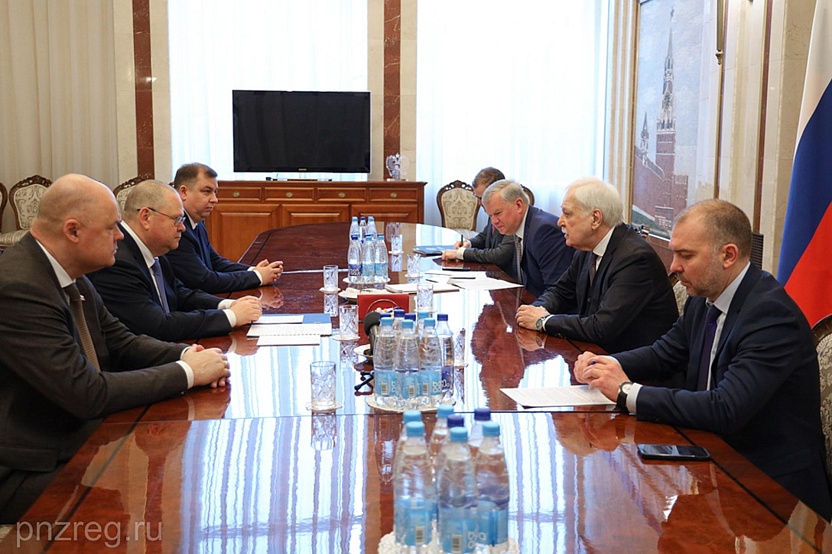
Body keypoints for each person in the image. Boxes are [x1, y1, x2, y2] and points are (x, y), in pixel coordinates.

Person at [573, 199, 832, 521]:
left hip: (770, 489)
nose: (673, 266)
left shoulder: (770, 315)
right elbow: (665, 353)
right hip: (711, 460)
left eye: (686, 255)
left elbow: (725, 407)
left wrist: (627, 392)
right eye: (674, 253)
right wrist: (605, 364)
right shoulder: (705, 297)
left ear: (728, 255)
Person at [0, 174, 230, 523]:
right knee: (142, 502)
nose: (121, 235)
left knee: (177, 470)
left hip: (71, 436)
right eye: (111, 228)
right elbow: (86, 392)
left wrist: (187, 355)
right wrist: (186, 373)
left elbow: (122, 342)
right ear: (73, 231)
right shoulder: (20, 287)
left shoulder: (69, 270)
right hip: (25, 467)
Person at [516, 177, 678, 353]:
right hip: (597, 354)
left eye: (567, 214)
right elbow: (561, 291)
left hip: (633, 363)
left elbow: (602, 327)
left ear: (595, 218)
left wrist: (543, 321)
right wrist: (535, 310)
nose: (560, 221)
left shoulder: (635, 259)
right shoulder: (587, 248)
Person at [88, 180, 263, 342]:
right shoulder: (118, 263)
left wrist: (229, 305)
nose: (182, 228)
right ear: (146, 217)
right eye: (177, 219)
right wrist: (231, 316)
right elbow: (158, 326)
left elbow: (179, 294)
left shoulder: (154, 249)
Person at [164, 163, 283, 293]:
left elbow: (215, 262)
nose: (215, 199)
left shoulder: (196, 221)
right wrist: (258, 277)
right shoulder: (177, 229)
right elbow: (204, 281)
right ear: (183, 192)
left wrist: (254, 271)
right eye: (206, 191)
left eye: (215, 192)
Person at [480, 179, 573, 297]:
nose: (494, 222)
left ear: (518, 205)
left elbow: (557, 291)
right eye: (490, 216)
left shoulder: (543, 230)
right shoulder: (517, 226)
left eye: (498, 213)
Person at [441, 167, 515, 273]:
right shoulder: (493, 212)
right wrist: (468, 243)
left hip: (507, 276)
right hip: (493, 273)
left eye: (482, 198)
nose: (480, 203)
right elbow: (484, 237)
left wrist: (461, 254)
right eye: (478, 197)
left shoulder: (510, 215)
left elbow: (500, 255)